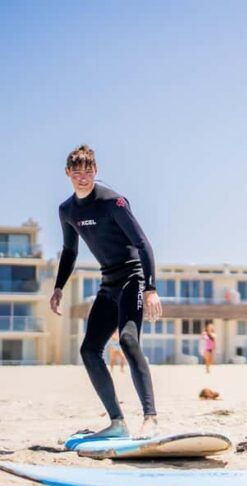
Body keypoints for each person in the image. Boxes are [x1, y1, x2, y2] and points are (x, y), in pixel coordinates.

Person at [50, 145, 162, 439]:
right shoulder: (67, 210)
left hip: (132, 279)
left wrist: (150, 288)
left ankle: (150, 418)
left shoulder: (114, 202)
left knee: (127, 340)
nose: (83, 177)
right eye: (77, 172)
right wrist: (59, 287)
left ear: (95, 171)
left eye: (88, 171)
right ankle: (117, 422)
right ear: (68, 174)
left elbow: (143, 244)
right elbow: (69, 251)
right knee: (89, 350)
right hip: (108, 283)